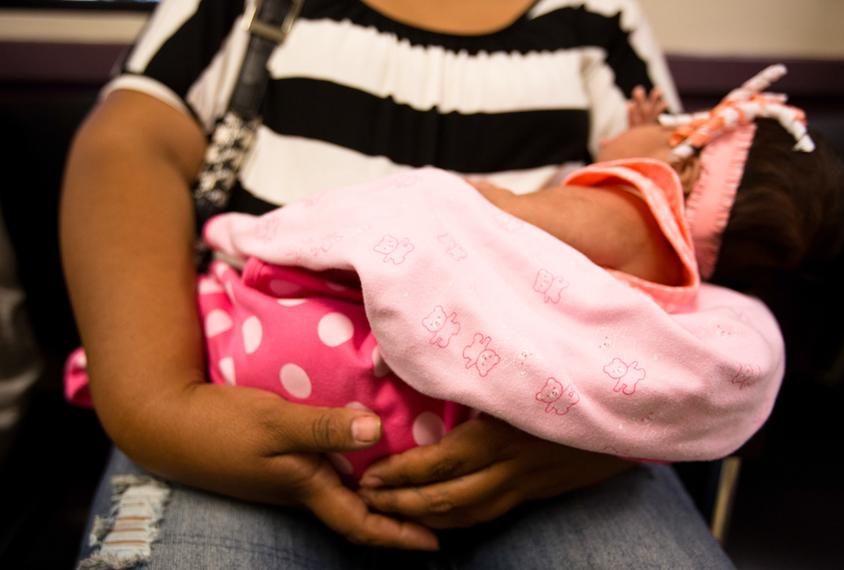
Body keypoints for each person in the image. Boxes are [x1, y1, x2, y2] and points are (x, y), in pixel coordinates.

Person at [63, 0, 744, 567]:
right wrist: (158, 407)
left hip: (547, 454)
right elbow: (127, 147)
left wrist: (606, 439)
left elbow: (672, 241)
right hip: (229, 419)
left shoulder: (597, 18)